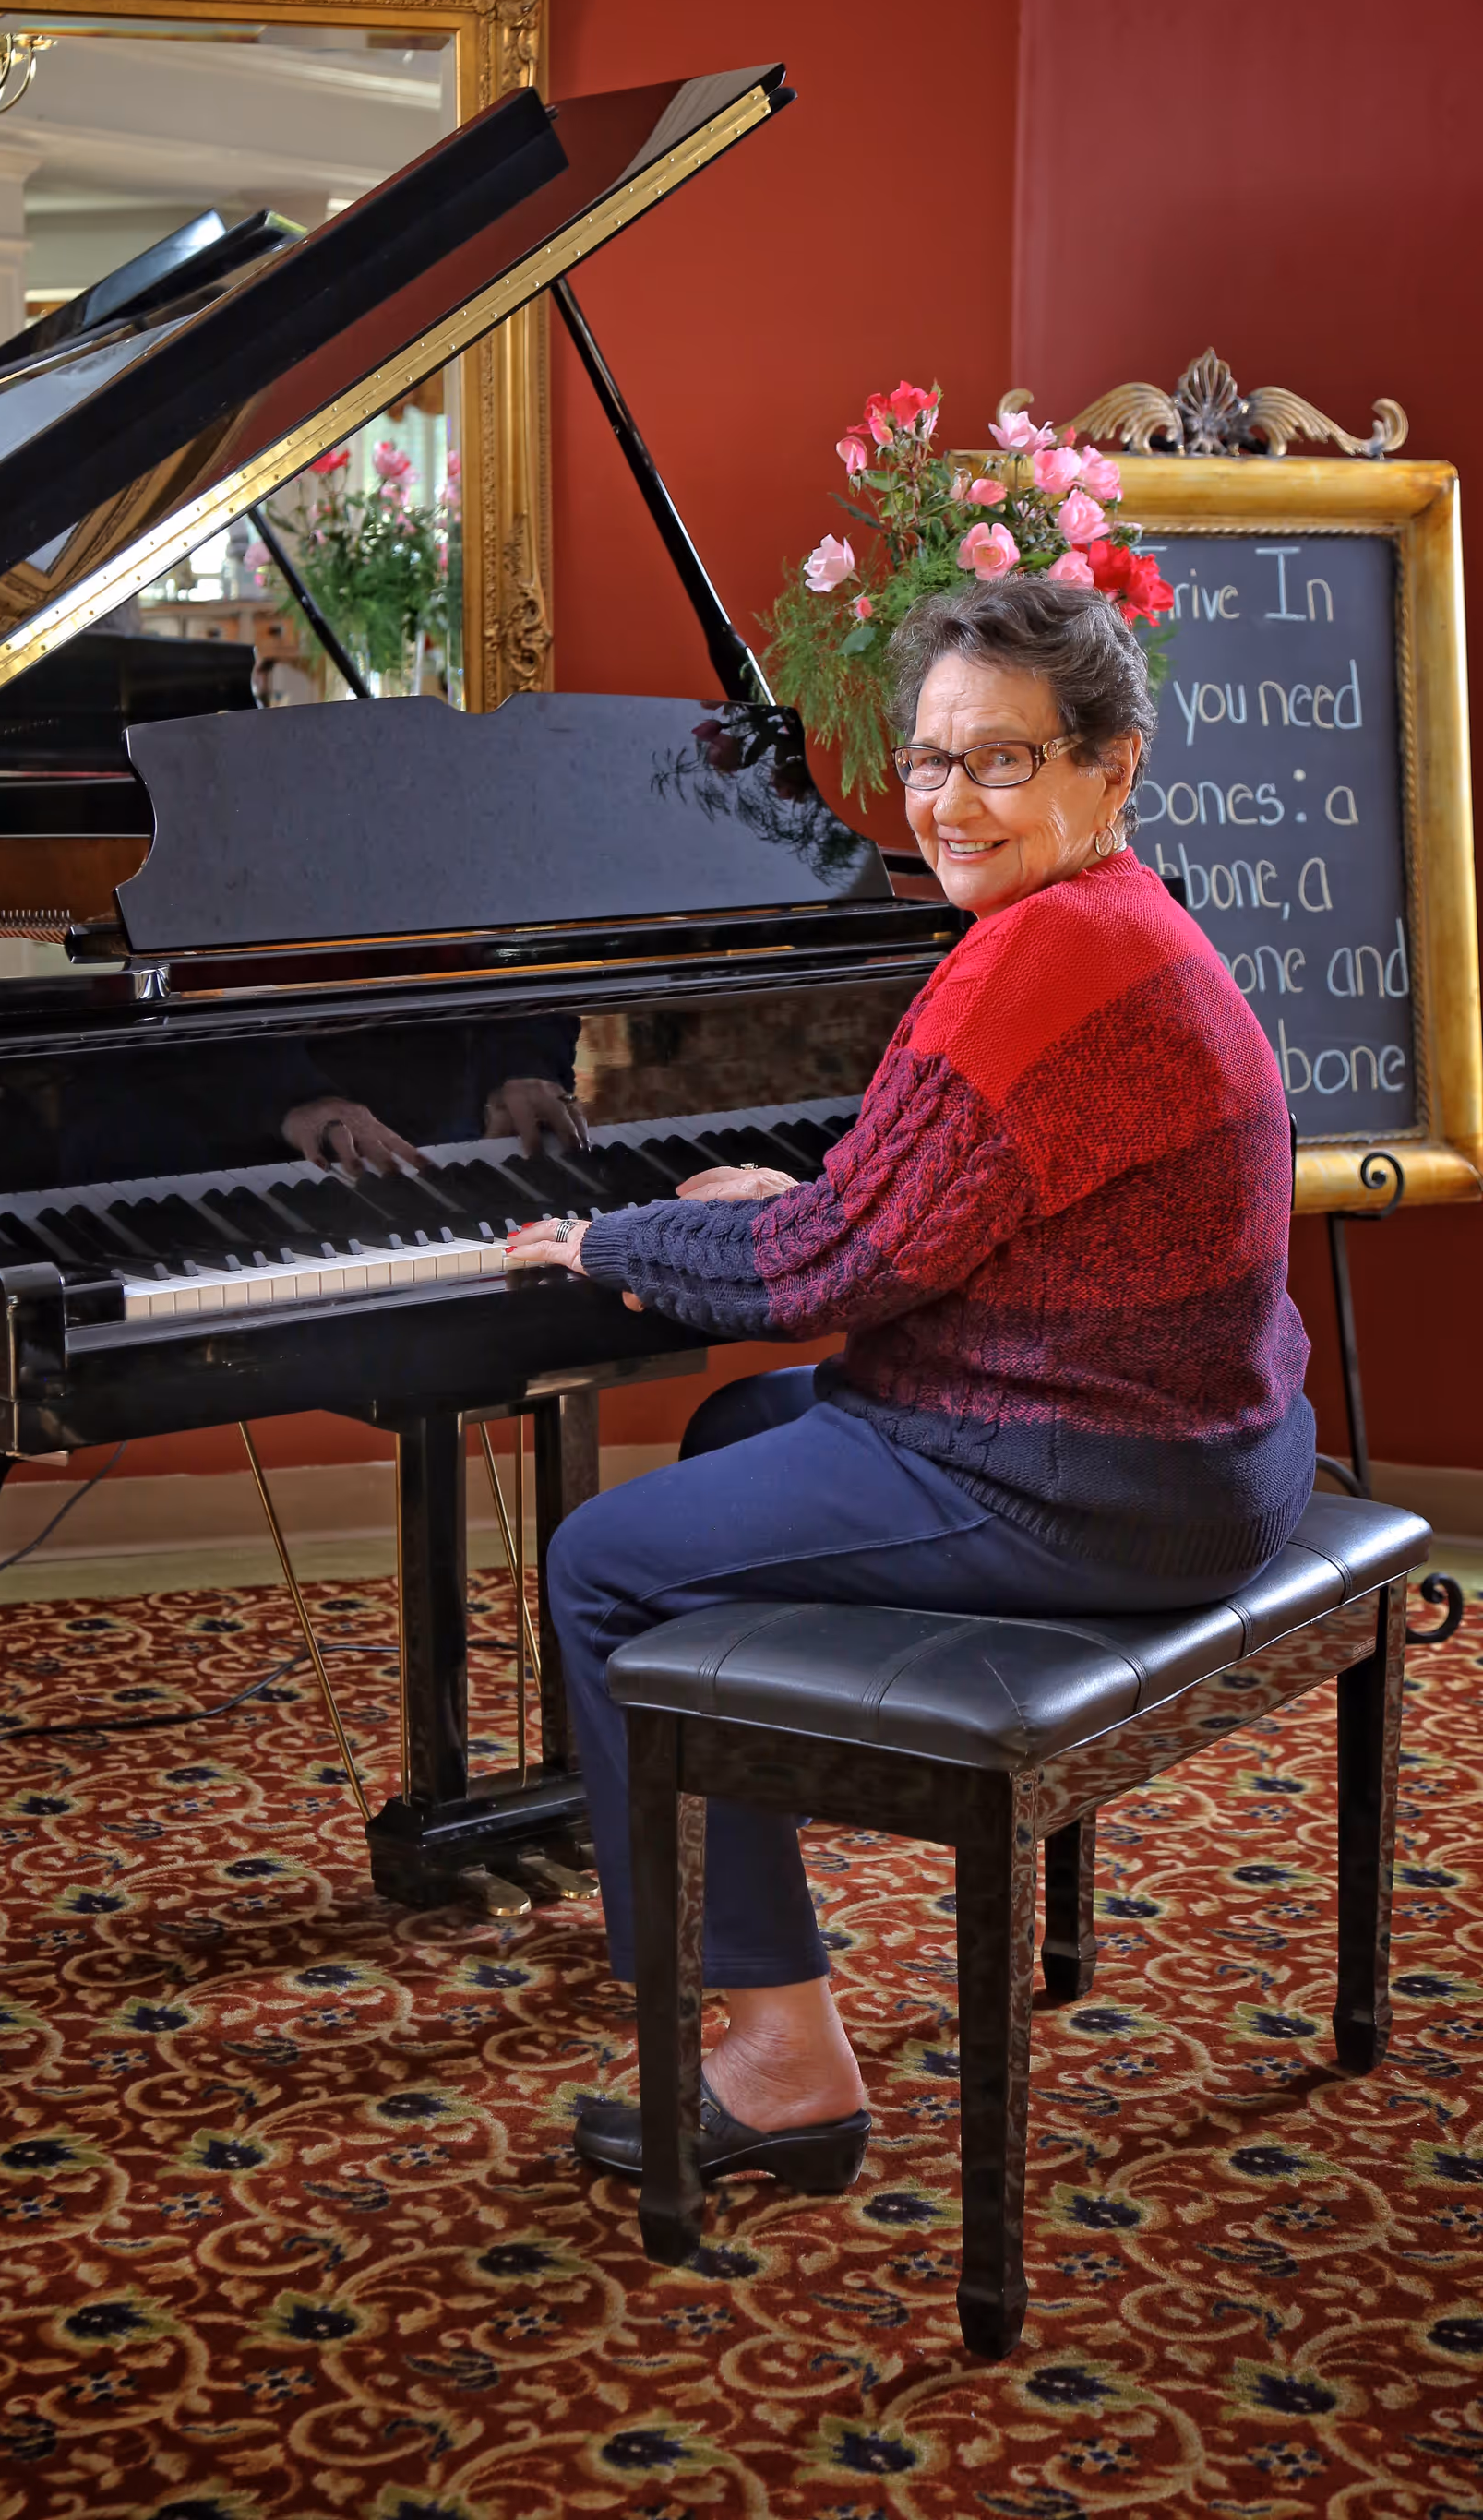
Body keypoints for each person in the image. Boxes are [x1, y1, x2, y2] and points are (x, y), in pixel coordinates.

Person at [505, 578, 1314, 2198]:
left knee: (601, 1566)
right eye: (931, 761)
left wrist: (612, 1237)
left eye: (1002, 760)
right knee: (739, 1427)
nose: (947, 803)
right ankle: (737, 1863)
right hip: (1212, 1441)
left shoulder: (1036, 960)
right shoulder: (1117, 919)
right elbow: (926, 1208)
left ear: (1111, 767)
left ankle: (778, 2054)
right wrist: (799, 1205)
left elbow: (831, 1272)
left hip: (1095, 1479)